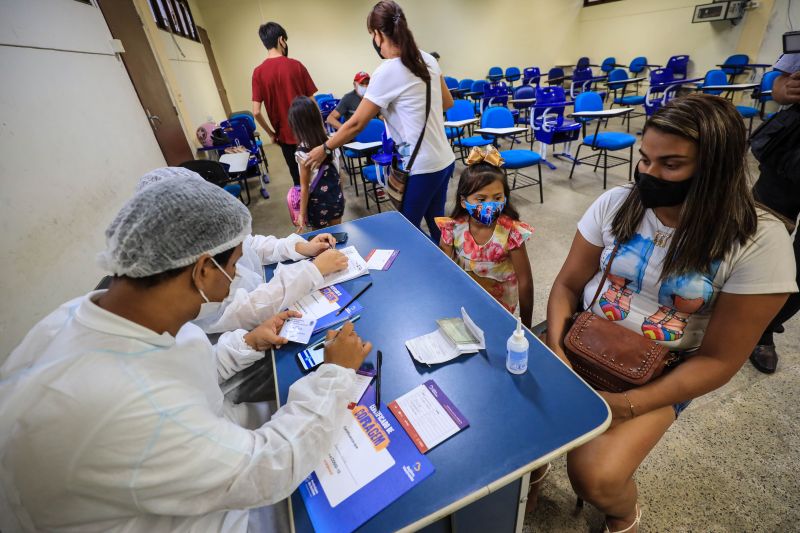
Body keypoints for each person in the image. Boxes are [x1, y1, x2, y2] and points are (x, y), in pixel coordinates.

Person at [0, 174, 372, 532]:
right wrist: (334, 376)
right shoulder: (133, 404)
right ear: (202, 270)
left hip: (203, 447)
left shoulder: (94, 314)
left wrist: (248, 341)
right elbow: (268, 469)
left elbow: (184, 365)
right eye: (234, 265)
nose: (239, 275)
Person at [543, 94, 795, 532]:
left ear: (715, 170)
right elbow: (567, 285)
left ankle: (622, 513)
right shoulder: (618, 203)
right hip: (578, 337)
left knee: (595, 477)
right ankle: (533, 468)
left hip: (662, 370)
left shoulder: (758, 241)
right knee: (513, 423)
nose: (648, 174)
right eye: (645, 159)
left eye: (670, 165)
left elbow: (719, 361)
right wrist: (558, 355)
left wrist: (625, 406)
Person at [303, 0, 455, 244]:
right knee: (438, 228)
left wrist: (325, 148)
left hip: (420, 168)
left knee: (406, 233)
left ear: (378, 34)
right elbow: (447, 103)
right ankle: (452, 275)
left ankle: (420, 278)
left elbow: (355, 124)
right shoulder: (428, 59)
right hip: (443, 160)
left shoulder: (387, 71)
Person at [137, 167, 348, 334]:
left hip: (267, 311)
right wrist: (312, 270)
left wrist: (300, 247)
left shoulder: (207, 234)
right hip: (249, 334)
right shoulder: (183, 285)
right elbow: (245, 311)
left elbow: (249, 245)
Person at [435, 146, 534, 327]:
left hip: (502, 308)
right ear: (464, 202)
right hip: (465, 302)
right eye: (481, 200)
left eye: (497, 198)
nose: (490, 205)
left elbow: (525, 281)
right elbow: (444, 270)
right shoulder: (453, 228)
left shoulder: (511, 232)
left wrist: (526, 325)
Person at [748, 52, 800, 373]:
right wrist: (786, 90)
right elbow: (778, 85)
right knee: (760, 239)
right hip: (792, 150)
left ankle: (764, 326)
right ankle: (733, 312)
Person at [252, 22, 317, 187]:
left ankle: (302, 211)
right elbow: (312, 102)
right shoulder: (296, 65)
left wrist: (272, 134)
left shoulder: (258, 73)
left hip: (284, 137)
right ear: (281, 40)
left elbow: (256, 112)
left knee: (298, 180)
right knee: (317, 176)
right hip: (308, 133)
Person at [289, 96, 346, 231]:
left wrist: (302, 215)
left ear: (297, 125)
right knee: (338, 234)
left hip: (317, 206)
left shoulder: (302, 152)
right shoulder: (332, 142)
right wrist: (342, 197)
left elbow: (305, 188)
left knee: (320, 240)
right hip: (336, 199)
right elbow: (339, 174)